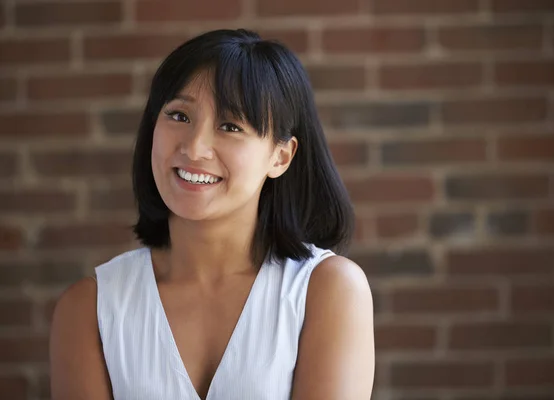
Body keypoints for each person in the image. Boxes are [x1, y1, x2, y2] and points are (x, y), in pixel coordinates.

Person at [50, 28, 374, 400]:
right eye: (179, 116)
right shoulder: (88, 309)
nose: (195, 147)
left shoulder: (327, 290)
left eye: (231, 126)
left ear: (280, 157)